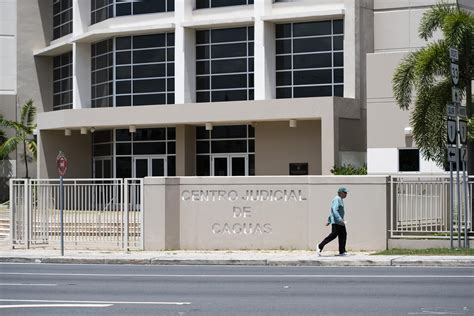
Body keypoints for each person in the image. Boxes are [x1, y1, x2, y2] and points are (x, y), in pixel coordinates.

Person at [316, 187, 349, 256]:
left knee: (343, 235)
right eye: (345, 192)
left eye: (346, 193)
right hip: (337, 222)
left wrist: (329, 220)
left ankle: (342, 251)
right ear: (340, 193)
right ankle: (320, 246)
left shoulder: (340, 199)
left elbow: (332, 211)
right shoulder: (337, 199)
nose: (346, 194)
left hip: (339, 222)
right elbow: (334, 210)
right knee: (333, 235)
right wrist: (339, 219)